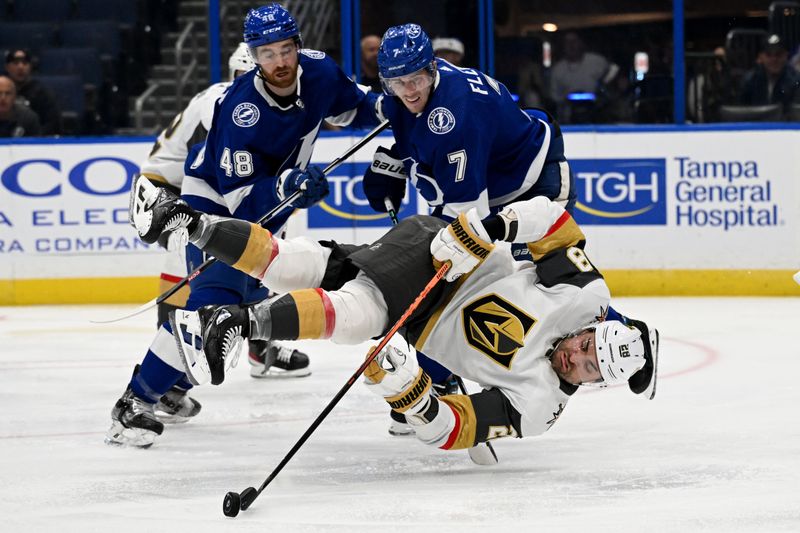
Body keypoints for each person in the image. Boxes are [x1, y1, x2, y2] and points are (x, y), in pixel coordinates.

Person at [129, 178, 659, 452]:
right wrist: (489, 229)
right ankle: (235, 322)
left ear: (597, 384)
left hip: (422, 319)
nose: (576, 356)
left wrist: (413, 398)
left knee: (298, 265)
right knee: (361, 313)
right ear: (595, 328)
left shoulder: (539, 407)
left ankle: (184, 221)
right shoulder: (586, 296)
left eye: (588, 367)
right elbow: (553, 220)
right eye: (588, 345)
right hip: (447, 261)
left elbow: (456, 431)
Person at [106, 3, 380, 448]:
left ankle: (174, 388)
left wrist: (399, 109)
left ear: (298, 46)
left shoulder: (321, 72)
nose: (278, 61)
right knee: (211, 311)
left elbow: (356, 108)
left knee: (245, 304)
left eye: (285, 49)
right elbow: (242, 203)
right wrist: (288, 184)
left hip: (269, 207)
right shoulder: (238, 109)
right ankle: (132, 404)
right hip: (213, 203)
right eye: (266, 53)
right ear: (253, 55)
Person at [136, 42, 311, 383]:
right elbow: (180, 168)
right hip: (183, 195)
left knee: (267, 259)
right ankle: (167, 379)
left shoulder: (287, 104)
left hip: (239, 196)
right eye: (243, 76)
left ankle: (262, 345)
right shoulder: (218, 105)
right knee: (187, 277)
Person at [549, 32, 618, 124]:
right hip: (569, 117)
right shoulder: (558, 69)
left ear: (581, 43)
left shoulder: (597, 61)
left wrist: (604, 87)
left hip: (598, 113)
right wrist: (566, 99)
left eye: (574, 41)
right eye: (567, 42)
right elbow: (554, 97)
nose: (571, 45)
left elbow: (614, 71)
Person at [739, 34, 800, 119]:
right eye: (769, 55)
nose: (774, 59)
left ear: (786, 56)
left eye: (778, 54)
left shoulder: (796, 80)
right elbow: (740, 112)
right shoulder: (750, 79)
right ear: (761, 57)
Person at [4, 49, 61, 135]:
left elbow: (52, 123)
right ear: (7, 67)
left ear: (30, 67)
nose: (20, 67)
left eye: (25, 63)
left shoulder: (43, 93)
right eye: (15, 63)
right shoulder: (2, 91)